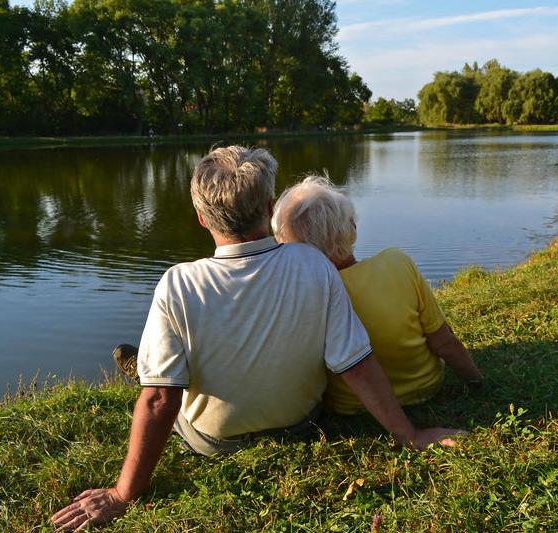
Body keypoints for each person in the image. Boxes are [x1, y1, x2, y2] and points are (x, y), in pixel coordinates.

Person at [51, 147, 460, 530]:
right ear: (269, 208)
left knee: (158, 387)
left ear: (200, 217)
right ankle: (149, 366)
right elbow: (356, 364)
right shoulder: (314, 265)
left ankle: (148, 367)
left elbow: (161, 402)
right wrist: (410, 435)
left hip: (213, 442)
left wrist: (123, 493)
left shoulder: (178, 284)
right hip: (300, 425)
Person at [271, 176, 483, 415]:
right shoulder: (397, 263)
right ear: (352, 226)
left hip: (351, 406)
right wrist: (476, 381)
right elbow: (443, 341)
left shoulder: (304, 295)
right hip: (426, 387)